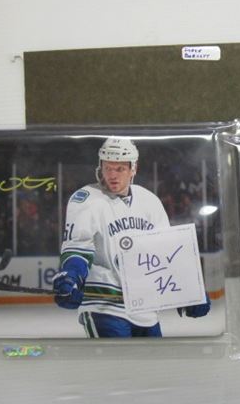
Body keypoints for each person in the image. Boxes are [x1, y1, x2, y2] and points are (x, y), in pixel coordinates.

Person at [52, 137, 210, 338]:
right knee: (118, 360)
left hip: (146, 309)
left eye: (120, 169)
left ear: (133, 168)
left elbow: (166, 254)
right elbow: (78, 248)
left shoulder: (150, 201)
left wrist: (189, 291)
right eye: (108, 168)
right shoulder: (85, 199)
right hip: (104, 306)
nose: (112, 175)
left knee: (155, 360)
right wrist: (72, 275)